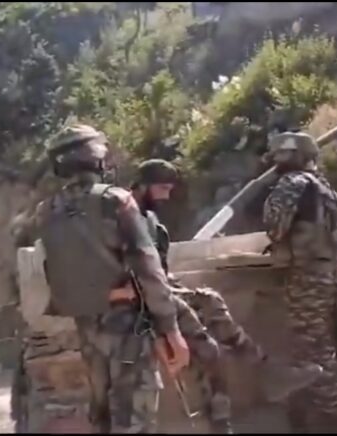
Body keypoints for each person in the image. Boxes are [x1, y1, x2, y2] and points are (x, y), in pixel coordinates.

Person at [13, 124, 189, 433]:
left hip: (87, 330)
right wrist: (171, 329)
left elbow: (55, 272)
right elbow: (148, 269)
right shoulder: (116, 201)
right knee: (135, 418)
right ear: (96, 158)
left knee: (102, 416)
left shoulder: (46, 212)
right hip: (129, 329)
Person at [133, 158, 324, 433]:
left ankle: (268, 372)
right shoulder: (122, 217)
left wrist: (182, 292)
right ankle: (221, 420)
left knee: (210, 299)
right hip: (137, 299)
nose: (166, 196)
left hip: (159, 291)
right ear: (143, 185)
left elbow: (160, 271)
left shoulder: (151, 223)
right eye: (162, 188)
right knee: (209, 350)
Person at [262, 132, 337, 433]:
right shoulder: (324, 188)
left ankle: (331, 415)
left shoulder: (292, 184)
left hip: (303, 276)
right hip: (323, 274)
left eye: (280, 155)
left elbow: (275, 227)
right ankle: (319, 412)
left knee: (312, 348)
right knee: (316, 343)